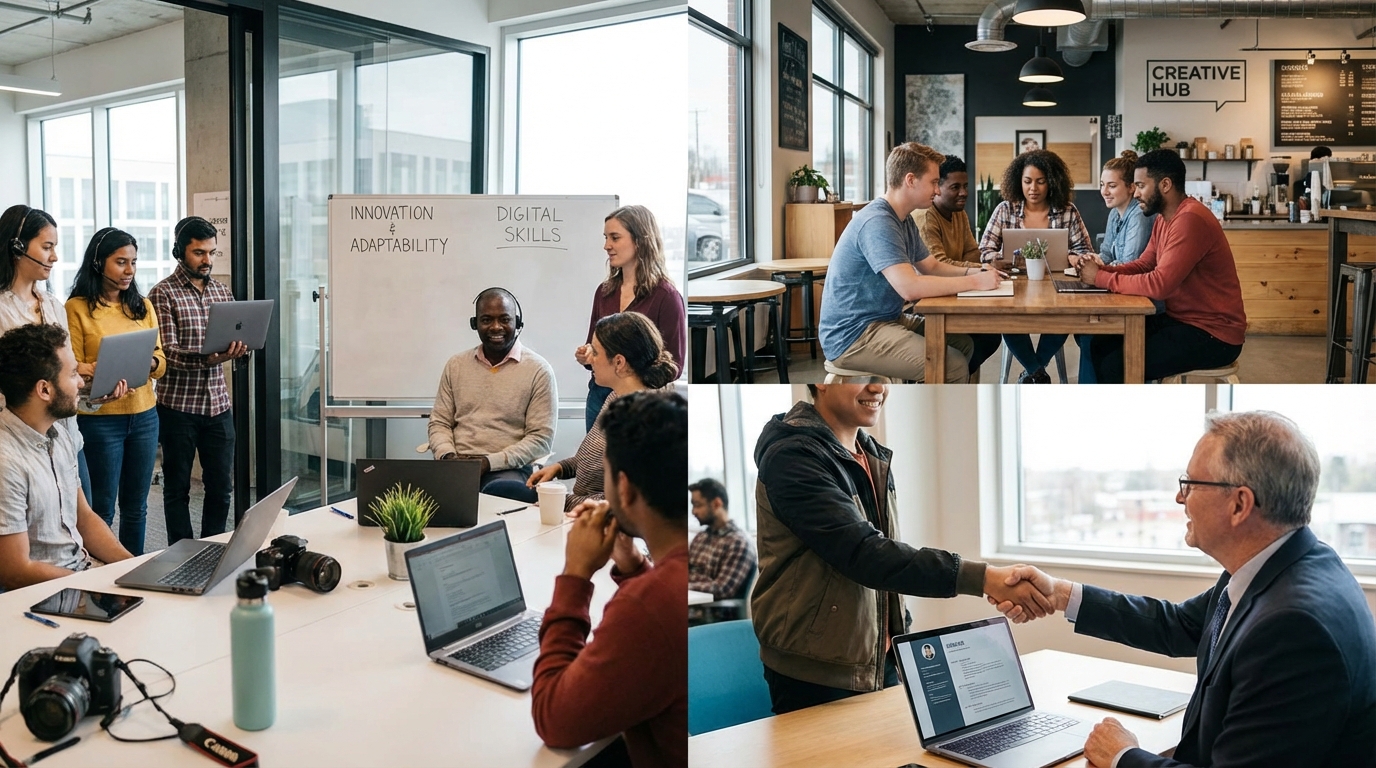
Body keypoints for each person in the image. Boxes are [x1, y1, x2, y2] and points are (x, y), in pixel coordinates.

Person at [991, 411, 1376, 768]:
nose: (1179, 498)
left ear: (1240, 504)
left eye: (1189, 484)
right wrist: (1060, 594)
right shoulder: (1285, 563)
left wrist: (1124, 756)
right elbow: (1179, 625)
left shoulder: (1292, 628)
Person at [751, 382, 1053, 714]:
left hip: (882, 658)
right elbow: (865, 554)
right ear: (824, 381)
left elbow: (885, 552)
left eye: (882, 376)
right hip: (815, 669)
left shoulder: (871, 454)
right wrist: (984, 579)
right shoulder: (792, 457)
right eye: (862, 375)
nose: (878, 386)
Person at [531, 390, 687, 768]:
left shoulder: (650, 605)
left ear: (625, 487)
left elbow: (554, 719)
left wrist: (575, 575)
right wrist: (633, 565)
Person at [818, 142, 1003, 383]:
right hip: (855, 335)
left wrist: (976, 270)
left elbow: (932, 266)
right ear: (911, 180)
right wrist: (976, 283)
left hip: (887, 319)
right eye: (934, 182)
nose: (937, 190)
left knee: (965, 344)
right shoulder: (878, 222)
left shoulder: (902, 219)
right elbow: (910, 287)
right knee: (953, 364)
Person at [1072, 150, 1246, 383]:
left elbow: (1159, 284)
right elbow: (1145, 264)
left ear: (1165, 184)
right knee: (1100, 341)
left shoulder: (1189, 219)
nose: (1136, 194)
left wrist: (1100, 278)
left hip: (1213, 334)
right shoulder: (1165, 218)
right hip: (1182, 321)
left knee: (1115, 364)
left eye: (1141, 186)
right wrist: (1101, 271)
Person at [0, 323, 133, 589]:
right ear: (44, 390)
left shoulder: (58, 435)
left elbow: (84, 517)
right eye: (73, 374)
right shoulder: (6, 461)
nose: (82, 383)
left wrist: (133, 567)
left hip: (81, 573)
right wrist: (94, 584)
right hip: (47, 594)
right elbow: (15, 570)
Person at [0, 204, 116, 501]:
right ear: (17, 246)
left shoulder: (52, 305)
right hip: (17, 446)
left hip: (66, 442)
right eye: (47, 246)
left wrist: (92, 393)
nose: (54, 256)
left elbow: (65, 374)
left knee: (82, 529)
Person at [65, 228, 166, 556]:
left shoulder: (143, 306)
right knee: (102, 510)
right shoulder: (77, 308)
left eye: (133, 262)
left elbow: (161, 360)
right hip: (100, 420)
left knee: (137, 507)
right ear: (98, 263)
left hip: (144, 415)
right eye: (121, 262)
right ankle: (102, 577)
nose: (129, 271)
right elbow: (72, 365)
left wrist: (146, 363)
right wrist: (101, 367)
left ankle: (133, 569)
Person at [149, 216, 248, 545]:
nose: (207, 260)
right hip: (178, 407)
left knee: (221, 488)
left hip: (218, 406)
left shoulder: (223, 291)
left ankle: (212, 549)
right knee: (177, 488)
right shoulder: (162, 294)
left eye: (211, 253)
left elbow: (238, 342)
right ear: (180, 251)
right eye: (199, 253)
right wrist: (209, 358)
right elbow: (169, 354)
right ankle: (181, 552)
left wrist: (241, 348)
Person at [522, 311, 677, 509]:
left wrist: (561, 500)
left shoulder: (646, 420)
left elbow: (623, 501)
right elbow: (591, 460)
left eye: (595, 352)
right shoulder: (615, 398)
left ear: (619, 362)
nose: (590, 359)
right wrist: (560, 468)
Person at [428, 287, 557, 502]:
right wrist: (448, 456)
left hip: (508, 470)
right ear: (474, 324)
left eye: (504, 319)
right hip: (457, 465)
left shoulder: (539, 370)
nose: (496, 327)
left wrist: (488, 462)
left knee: (498, 493)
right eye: (486, 320)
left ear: (518, 323)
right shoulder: (456, 365)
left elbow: (540, 440)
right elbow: (439, 423)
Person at [979, 149, 1094, 383]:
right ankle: (1037, 372)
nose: (1033, 188)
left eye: (1040, 182)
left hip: (1056, 287)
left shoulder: (1068, 211)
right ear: (1018, 181)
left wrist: (1073, 256)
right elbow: (984, 251)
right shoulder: (1005, 209)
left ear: (1051, 182)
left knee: (1064, 316)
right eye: (1028, 181)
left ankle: (1032, 372)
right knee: (1006, 317)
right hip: (1014, 287)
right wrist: (998, 258)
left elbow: (1085, 252)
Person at [575, 205, 685, 430]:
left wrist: (634, 379)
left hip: (644, 403)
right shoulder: (604, 292)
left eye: (615, 237)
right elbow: (593, 345)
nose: (607, 246)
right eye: (606, 237)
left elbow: (675, 365)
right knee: (595, 465)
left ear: (640, 240)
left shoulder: (667, 296)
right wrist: (588, 355)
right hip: (599, 395)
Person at [913, 154, 1002, 379]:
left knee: (991, 334)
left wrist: (990, 264)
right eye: (955, 187)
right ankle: (947, 379)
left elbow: (972, 253)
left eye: (965, 186)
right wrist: (980, 270)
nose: (963, 192)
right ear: (937, 188)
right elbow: (938, 264)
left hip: (954, 292)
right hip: (925, 302)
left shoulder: (958, 213)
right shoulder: (926, 217)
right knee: (985, 337)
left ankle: (953, 379)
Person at [1075, 150, 1157, 384]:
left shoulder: (1139, 216)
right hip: (1119, 293)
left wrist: (1099, 270)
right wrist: (1091, 260)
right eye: (1102, 185)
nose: (1104, 192)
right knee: (1085, 335)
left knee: (1090, 336)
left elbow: (1130, 264)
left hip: (1141, 303)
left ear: (1131, 187)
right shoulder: (1115, 214)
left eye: (1112, 185)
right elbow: (1108, 255)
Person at [688, 477, 756, 601]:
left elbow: (723, 589)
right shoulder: (700, 538)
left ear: (717, 504)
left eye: (698, 505)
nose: (693, 512)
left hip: (711, 614)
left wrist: (684, 587)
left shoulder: (738, 542)